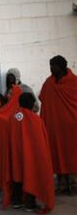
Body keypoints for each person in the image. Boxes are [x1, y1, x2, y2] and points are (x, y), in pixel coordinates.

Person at [8, 93, 55, 213]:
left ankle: (16, 201)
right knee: (31, 174)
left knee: (18, 175)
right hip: (30, 155)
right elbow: (40, 140)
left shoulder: (14, 116)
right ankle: (29, 204)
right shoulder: (35, 119)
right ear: (31, 104)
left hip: (16, 153)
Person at [39, 55, 77, 196]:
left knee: (72, 156)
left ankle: (74, 185)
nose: (51, 68)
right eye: (50, 65)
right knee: (57, 155)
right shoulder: (49, 83)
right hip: (54, 127)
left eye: (53, 65)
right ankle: (61, 184)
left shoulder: (74, 82)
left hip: (71, 127)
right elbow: (43, 98)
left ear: (61, 66)